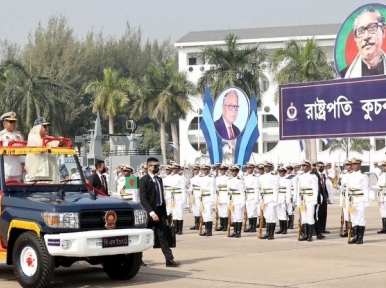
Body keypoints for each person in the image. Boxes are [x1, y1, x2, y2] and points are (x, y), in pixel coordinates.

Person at [139, 157, 180, 267]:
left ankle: (169, 259)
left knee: (163, 236)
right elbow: (144, 199)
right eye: (155, 166)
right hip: (150, 213)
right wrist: (152, 213)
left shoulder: (159, 179)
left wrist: (164, 213)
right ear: (148, 167)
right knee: (143, 237)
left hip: (160, 212)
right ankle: (138, 259)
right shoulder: (143, 180)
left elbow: (161, 196)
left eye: (158, 166)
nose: (158, 168)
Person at [340, 8, 386, 78]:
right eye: (360, 31)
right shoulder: (345, 75)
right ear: (355, 38)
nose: (366, 37)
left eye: (372, 27)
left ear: (383, 31)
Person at [25, 117, 63, 183]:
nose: (46, 129)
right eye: (44, 126)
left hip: (50, 171)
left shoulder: (49, 138)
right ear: (38, 128)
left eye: (47, 126)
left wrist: (60, 142)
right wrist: (48, 141)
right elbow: (38, 147)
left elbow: (55, 146)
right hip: (38, 172)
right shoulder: (32, 137)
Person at [347, 158, 369, 244]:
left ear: (360, 165)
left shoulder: (363, 176)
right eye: (353, 164)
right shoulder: (349, 176)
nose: (354, 166)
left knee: (361, 218)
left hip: (360, 199)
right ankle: (355, 236)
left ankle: (360, 238)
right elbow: (347, 190)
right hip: (352, 200)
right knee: (354, 218)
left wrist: (366, 201)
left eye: (356, 164)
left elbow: (366, 189)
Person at [297, 159, 318, 242]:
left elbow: (315, 189)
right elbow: (299, 189)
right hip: (303, 199)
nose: (303, 167)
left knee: (310, 217)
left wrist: (314, 199)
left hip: (310, 198)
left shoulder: (313, 176)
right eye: (303, 166)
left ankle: (310, 235)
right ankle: (305, 234)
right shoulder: (300, 176)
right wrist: (298, 200)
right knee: (304, 217)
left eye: (305, 166)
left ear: (309, 167)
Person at [257, 161, 279, 240]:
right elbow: (259, 189)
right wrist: (259, 198)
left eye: (267, 167)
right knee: (266, 216)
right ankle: (267, 233)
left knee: (272, 217)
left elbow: (276, 189)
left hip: (271, 198)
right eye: (265, 167)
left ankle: (271, 234)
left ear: (271, 168)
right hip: (264, 198)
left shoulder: (274, 177)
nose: (265, 168)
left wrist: (275, 201)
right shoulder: (261, 177)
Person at [0, 112, 24, 181]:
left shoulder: (18, 135)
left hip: (17, 170)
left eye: (14, 122)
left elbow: (22, 150)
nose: (13, 124)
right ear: (4, 124)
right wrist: (8, 143)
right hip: (5, 170)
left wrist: (23, 163)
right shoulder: (1, 135)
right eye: (10, 122)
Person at [227, 165, 245, 238]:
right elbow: (228, 192)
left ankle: (238, 232)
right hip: (232, 199)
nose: (233, 172)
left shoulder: (240, 181)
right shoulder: (229, 180)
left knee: (238, 217)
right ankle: (234, 231)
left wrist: (242, 202)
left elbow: (242, 192)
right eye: (232, 171)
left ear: (237, 172)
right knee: (234, 217)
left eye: (234, 171)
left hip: (238, 199)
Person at [198, 164, 215, 237]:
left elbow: (213, 190)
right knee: (204, 215)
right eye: (203, 169)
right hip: (203, 198)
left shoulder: (211, 178)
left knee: (208, 215)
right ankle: (206, 230)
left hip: (208, 198)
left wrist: (212, 201)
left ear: (209, 170)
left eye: (206, 169)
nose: (204, 171)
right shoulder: (201, 178)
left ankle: (209, 231)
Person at [169, 163, 186, 235]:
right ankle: (175, 229)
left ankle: (180, 229)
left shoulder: (181, 177)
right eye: (173, 169)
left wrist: (183, 199)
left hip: (179, 196)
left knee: (180, 214)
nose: (174, 170)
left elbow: (183, 189)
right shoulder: (171, 177)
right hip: (173, 197)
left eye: (175, 169)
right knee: (174, 213)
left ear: (178, 169)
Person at [371, 160, 386, 234]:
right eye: (383, 166)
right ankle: (384, 227)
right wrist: (371, 186)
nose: (384, 167)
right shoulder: (381, 176)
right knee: (383, 212)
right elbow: (377, 186)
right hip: (381, 196)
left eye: (385, 165)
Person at [339, 159, 353, 237]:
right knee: (345, 214)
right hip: (344, 196)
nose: (347, 167)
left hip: (350, 196)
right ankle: (347, 229)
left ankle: (352, 230)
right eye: (346, 165)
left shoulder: (353, 174)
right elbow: (340, 185)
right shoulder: (343, 174)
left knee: (351, 213)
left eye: (348, 165)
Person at [275, 166, 291, 235]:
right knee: (279, 213)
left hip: (284, 197)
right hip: (279, 198)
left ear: (284, 172)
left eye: (281, 172)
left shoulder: (287, 180)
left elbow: (288, 191)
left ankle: (285, 229)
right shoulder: (277, 179)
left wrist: (288, 200)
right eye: (279, 172)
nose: (280, 173)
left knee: (284, 214)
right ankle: (281, 228)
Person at [243, 163, 259, 233]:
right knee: (249, 212)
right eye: (248, 168)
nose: (248, 169)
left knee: (253, 212)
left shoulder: (255, 177)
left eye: (250, 168)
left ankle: (254, 227)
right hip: (247, 196)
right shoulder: (245, 177)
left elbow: (256, 189)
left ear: (253, 169)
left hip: (253, 195)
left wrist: (256, 198)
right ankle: (250, 226)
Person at [215, 164, 230, 231]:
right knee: (220, 211)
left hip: (225, 195)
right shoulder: (217, 178)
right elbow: (215, 188)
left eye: (223, 170)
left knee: (225, 211)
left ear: (226, 170)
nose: (222, 171)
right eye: (221, 170)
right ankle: (221, 225)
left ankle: (225, 226)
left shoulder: (228, 178)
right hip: (219, 195)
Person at [188, 164, 201, 230]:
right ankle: (196, 224)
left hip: (198, 194)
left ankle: (199, 224)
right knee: (195, 210)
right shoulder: (192, 179)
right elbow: (191, 188)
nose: (195, 171)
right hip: (193, 195)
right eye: (194, 170)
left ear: (199, 170)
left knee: (199, 210)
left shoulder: (201, 178)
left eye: (196, 169)